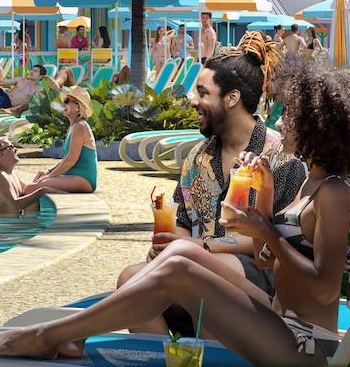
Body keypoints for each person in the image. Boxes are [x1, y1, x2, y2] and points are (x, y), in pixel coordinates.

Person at [0, 63, 350, 367]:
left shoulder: (334, 191)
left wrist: (268, 232)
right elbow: (268, 259)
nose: (281, 121)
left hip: (306, 344)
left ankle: (52, 335)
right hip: (280, 319)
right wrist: (261, 209)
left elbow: (324, 290)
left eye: (291, 116)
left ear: (316, 126)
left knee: (180, 270)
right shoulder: (309, 186)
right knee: (181, 256)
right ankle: (69, 336)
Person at [119, 32, 307, 302]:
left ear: (232, 98)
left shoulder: (281, 158)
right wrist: (173, 245)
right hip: (188, 268)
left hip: (257, 275)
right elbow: (181, 220)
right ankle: (172, 344)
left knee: (203, 278)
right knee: (130, 280)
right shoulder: (197, 157)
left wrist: (199, 247)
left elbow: (278, 238)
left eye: (203, 93)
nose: (194, 101)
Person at [30, 85, 97, 193]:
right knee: (34, 185)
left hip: (83, 179)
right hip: (75, 177)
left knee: (33, 188)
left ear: (78, 107)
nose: (62, 104)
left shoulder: (80, 127)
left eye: (66, 101)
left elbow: (71, 159)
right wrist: (47, 171)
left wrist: (50, 176)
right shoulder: (73, 127)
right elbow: (66, 158)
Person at [0, 138, 49, 216]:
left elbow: (28, 189)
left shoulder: (12, 174)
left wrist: (47, 180)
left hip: (10, 224)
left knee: (31, 194)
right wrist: (42, 191)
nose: (16, 149)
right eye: (11, 147)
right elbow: (15, 205)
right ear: (2, 154)